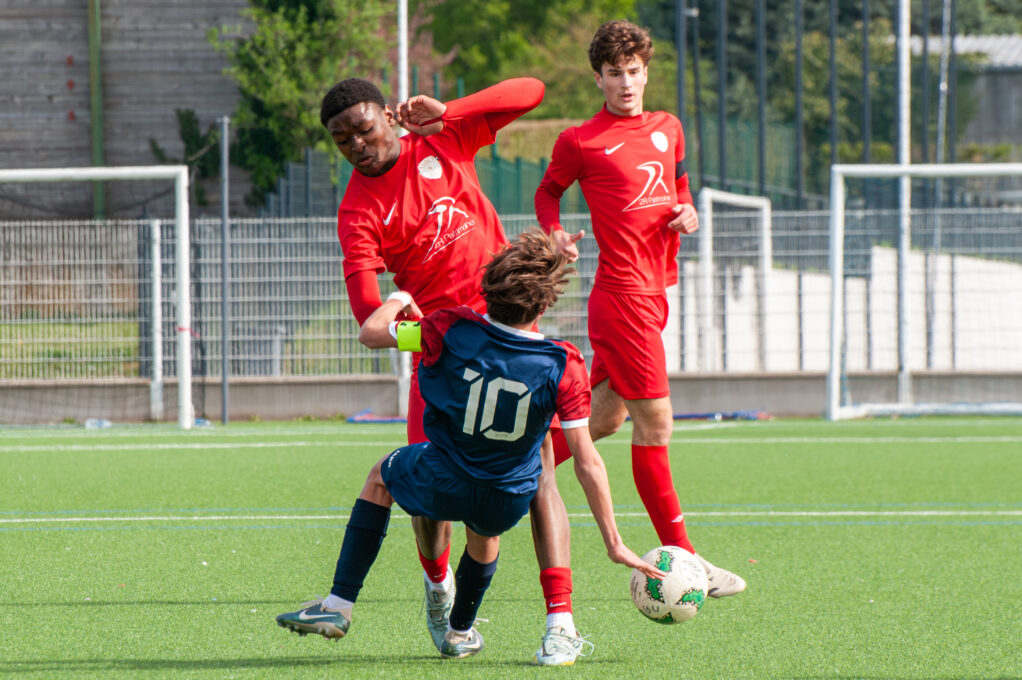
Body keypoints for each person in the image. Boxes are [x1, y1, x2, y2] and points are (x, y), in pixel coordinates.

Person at [275, 231, 664, 660]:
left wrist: (400, 297)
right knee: (494, 522)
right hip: (506, 498)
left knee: (381, 478)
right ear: (544, 305)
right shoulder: (563, 363)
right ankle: (466, 632)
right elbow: (587, 462)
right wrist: (614, 541)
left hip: (443, 480)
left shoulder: (447, 328)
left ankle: (339, 604)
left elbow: (371, 333)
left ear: (486, 289)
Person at [318, 76, 585, 664]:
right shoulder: (358, 210)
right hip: (443, 355)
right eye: (342, 139)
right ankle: (439, 587)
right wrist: (425, 332)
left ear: (389, 115)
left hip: (509, 334)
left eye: (363, 128)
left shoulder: (443, 137)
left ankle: (560, 621)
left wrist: (450, 110)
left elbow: (533, 91)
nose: (357, 144)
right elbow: (368, 313)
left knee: (540, 472)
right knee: (428, 498)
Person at [535, 19, 746, 597]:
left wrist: (688, 212)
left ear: (646, 72)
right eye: (614, 73)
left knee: (604, 419)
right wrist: (555, 233)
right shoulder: (581, 140)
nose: (625, 83)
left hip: (654, 294)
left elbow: (680, 189)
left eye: (633, 71)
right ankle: (689, 560)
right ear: (598, 78)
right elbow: (547, 192)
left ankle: (508, 472)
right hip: (622, 297)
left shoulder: (668, 128)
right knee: (656, 426)